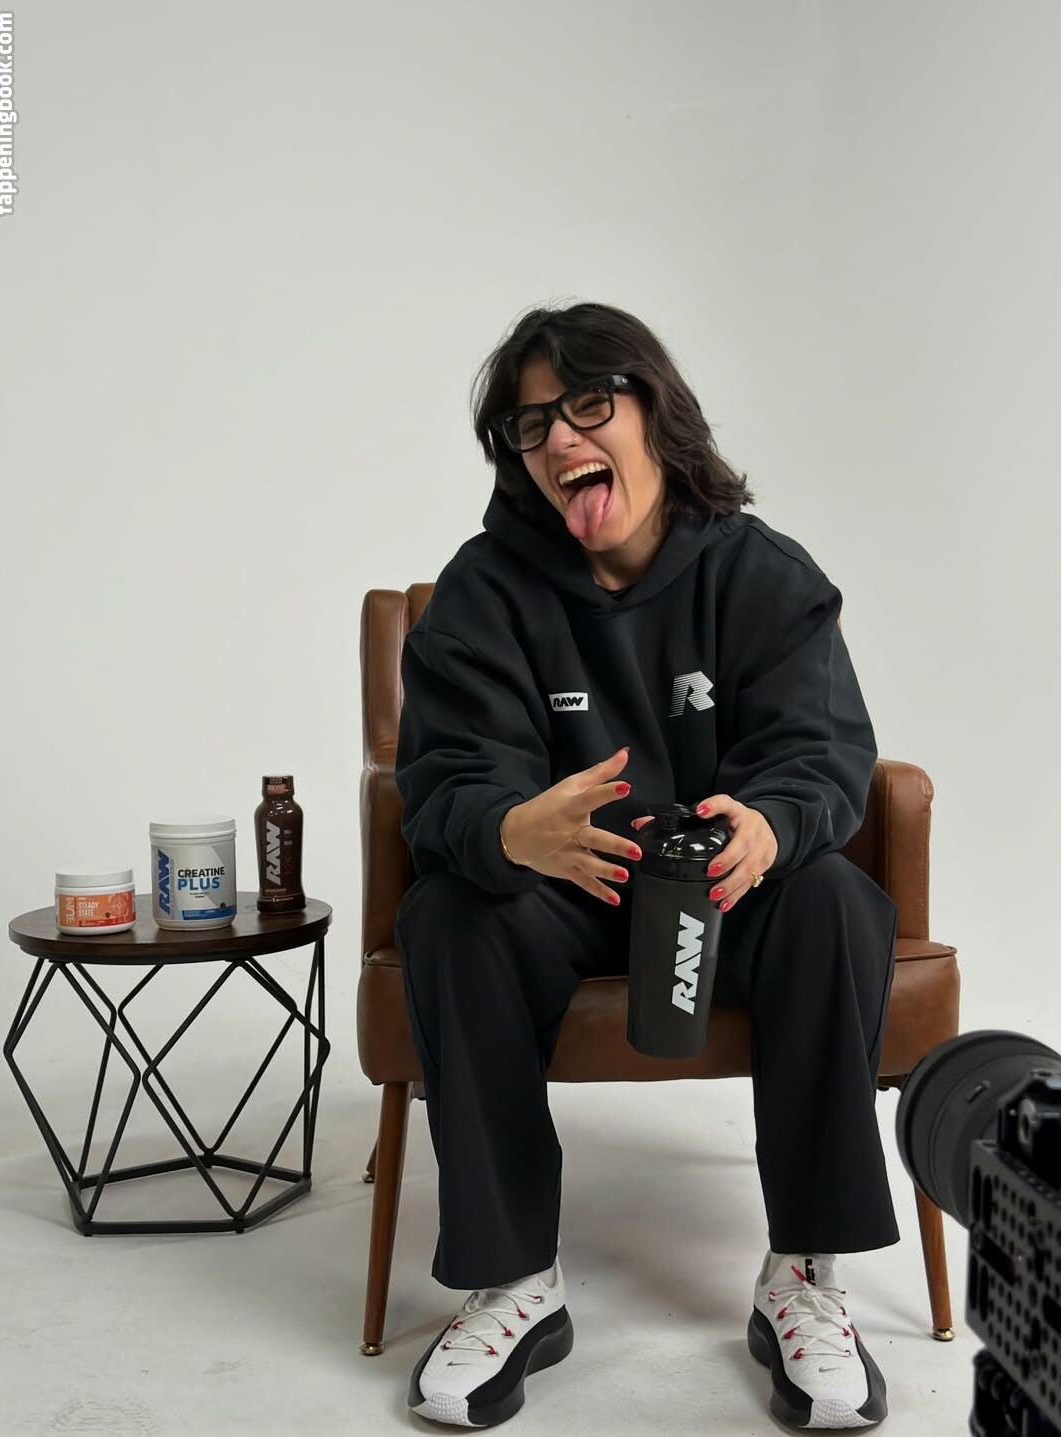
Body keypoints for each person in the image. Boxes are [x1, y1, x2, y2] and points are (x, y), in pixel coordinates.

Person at [393, 302, 898, 1431]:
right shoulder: (484, 589)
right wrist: (509, 829)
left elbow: (821, 749)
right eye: (533, 426)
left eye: (588, 405)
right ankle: (513, 1281)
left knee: (835, 899)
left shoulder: (761, 573)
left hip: (726, 889)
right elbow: (446, 777)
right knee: (451, 915)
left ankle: (804, 1274)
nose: (562, 440)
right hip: (566, 889)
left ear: (651, 410)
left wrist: (772, 823)